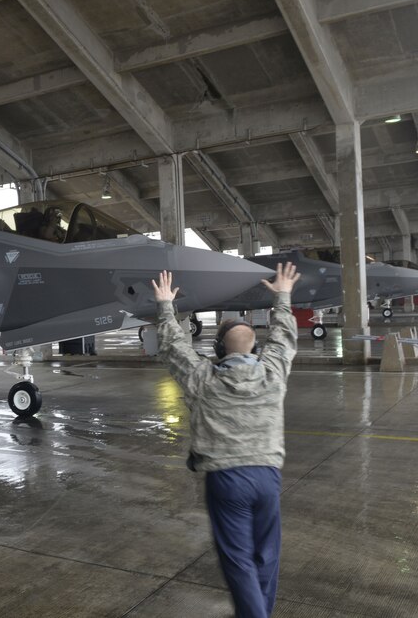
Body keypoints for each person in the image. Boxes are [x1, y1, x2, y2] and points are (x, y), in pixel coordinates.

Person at [151, 262, 300, 618]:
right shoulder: (273, 373)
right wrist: (282, 297)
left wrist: (165, 305)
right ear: (254, 348)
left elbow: (174, 347)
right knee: (266, 554)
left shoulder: (204, 379)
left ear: (219, 349)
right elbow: (284, 337)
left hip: (226, 479)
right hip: (267, 476)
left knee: (238, 559)